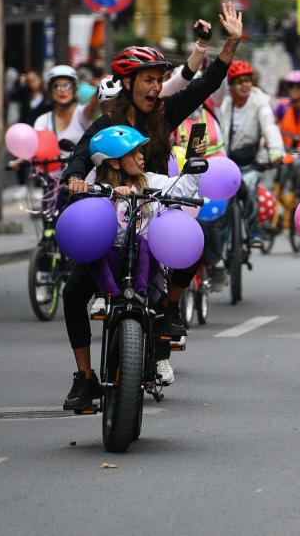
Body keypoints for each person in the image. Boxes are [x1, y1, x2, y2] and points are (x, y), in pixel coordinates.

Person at [59, 126, 204, 409]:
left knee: (147, 248)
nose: (141, 157)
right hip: (105, 260)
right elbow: (84, 215)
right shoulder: (94, 182)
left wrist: (194, 163)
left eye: (141, 151)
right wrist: (94, 192)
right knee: (72, 293)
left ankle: (157, 336)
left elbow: (182, 187)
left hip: (141, 263)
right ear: (114, 162)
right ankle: (84, 377)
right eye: (134, 152)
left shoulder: (149, 180)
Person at [219, 59, 284, 270]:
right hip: (227, 162)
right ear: (231, 85)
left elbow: (270, 127)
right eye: (240, 81)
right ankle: (220, 246)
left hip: (252, 161)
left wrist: (275, 151)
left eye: (248, 80)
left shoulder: (260, 101)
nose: (245, 84)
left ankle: (254, 231)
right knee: (221, 203)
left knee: (248, 187)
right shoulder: (226, 104)